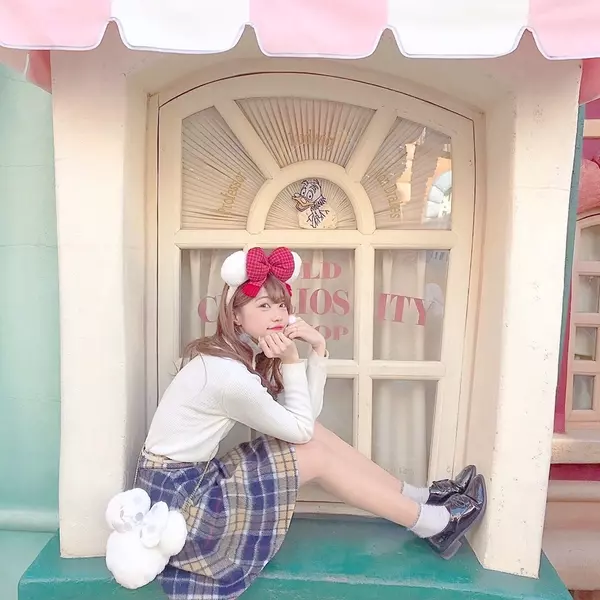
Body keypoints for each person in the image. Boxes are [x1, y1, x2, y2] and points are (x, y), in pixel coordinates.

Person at [135, 246, 486, 600]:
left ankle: (423, 497)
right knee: (314, 455)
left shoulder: (234, 356)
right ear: (235, 316)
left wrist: (317, 350)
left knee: (313, 436)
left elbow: (305, 421)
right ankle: (435, 524)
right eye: (263, 305)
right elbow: (300, 428)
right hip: (179, 507)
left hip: (192, 480)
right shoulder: (228, 376)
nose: (277, 315)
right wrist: (291, 360)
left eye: (281, 305)